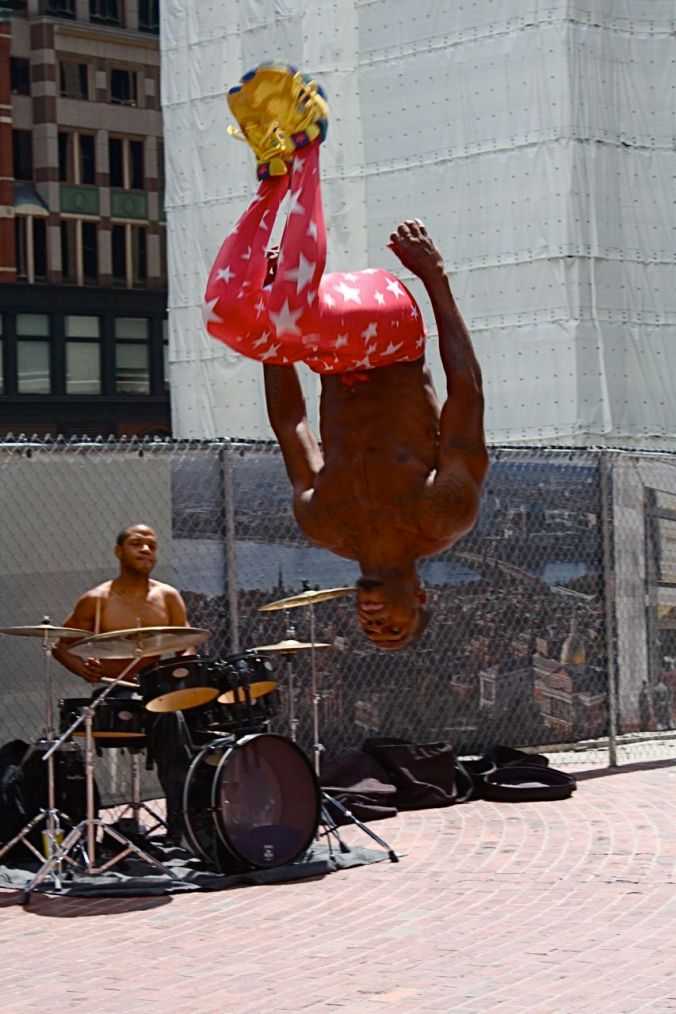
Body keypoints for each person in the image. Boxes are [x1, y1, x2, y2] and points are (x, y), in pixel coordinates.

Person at [204, 63, 488, 650]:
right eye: (393, 625)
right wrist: (434, 277)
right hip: (392, 330)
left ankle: (274, 176)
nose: (373, 621)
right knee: (287, 317)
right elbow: (466, 394)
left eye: (369, 629)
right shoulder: (443, 514)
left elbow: (290, 422)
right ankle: (309, 145)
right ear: (421, 599)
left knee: (229, 317)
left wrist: (269, 327)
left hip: (328, 352)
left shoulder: (324, 525)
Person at [53, 523, 193, 839]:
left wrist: (183, 667)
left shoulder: (168, 596)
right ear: (119, 551)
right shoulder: (96, 599)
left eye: (151, 546)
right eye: (136, 544)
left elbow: (187, 639)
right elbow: (59, 644)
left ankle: (183, 827)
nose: (145, 550)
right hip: (113, 692)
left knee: (180, 722)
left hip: (157, 690)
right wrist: (81, 668)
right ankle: (87, 827)